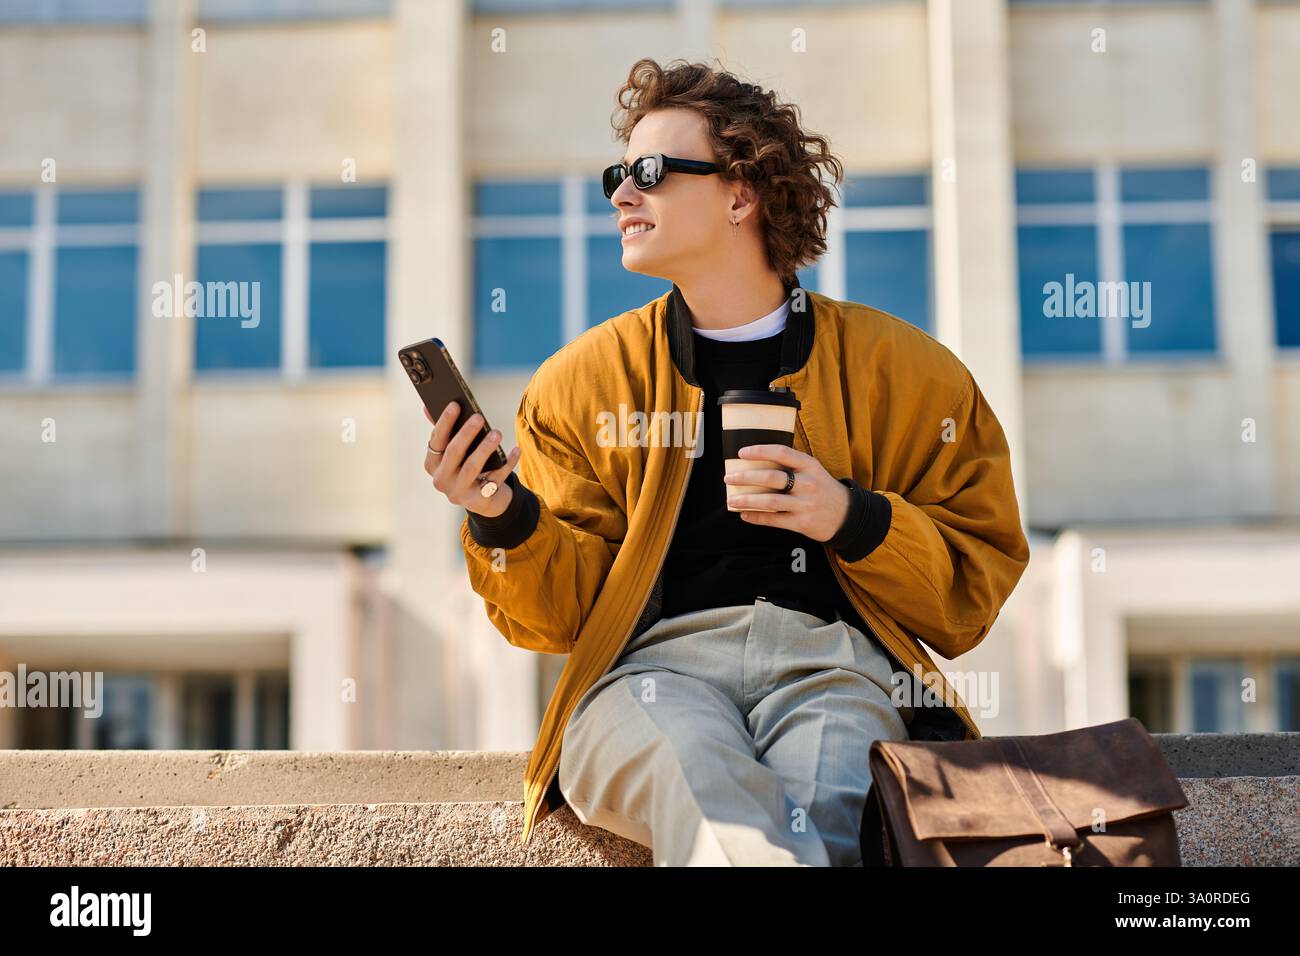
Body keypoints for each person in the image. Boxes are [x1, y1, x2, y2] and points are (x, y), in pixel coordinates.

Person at [423, 57, 1031, 866]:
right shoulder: (581, 384)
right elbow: (560, 617)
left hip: (834, 667)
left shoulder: (906, 372)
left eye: (648, 172)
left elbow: (971, 584)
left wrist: (852, 518)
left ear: (740, 194)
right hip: (648, 677)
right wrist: (504, 515)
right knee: (700, 780)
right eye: (618, 172)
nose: (621, 195)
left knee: (828, 804)